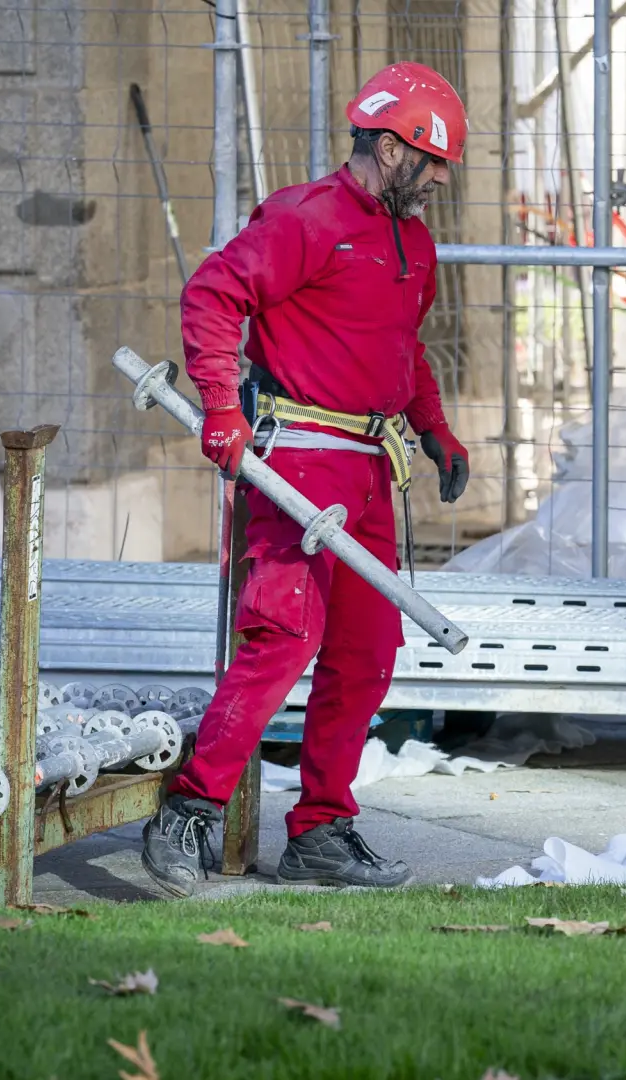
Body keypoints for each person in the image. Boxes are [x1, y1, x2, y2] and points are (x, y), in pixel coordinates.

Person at [140, 62, 472, 895]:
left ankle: (321, 830)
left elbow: (403, 348)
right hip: (298, 460)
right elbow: (212, 295)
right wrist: (222, 405)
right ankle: (189, 813)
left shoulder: (414, 244)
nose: (440, 179)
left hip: (369, 468)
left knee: (367, 650)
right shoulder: (306, 219)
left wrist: (434, 430)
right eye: (433, 161)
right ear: (391, 149)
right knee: (284, 636)